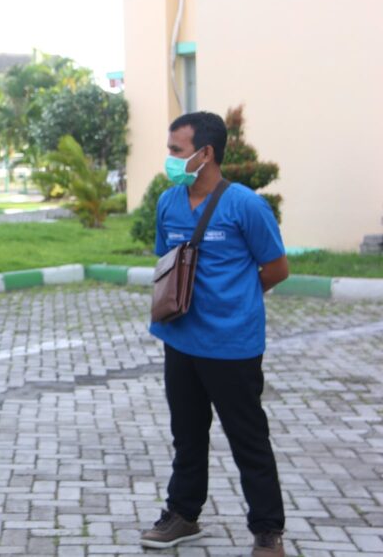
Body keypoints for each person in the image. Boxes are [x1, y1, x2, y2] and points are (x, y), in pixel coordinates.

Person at [142, 112, 289, 557]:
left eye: (177, 150)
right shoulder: (168, 202)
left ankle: (268, 531)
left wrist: (237, 300)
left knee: (248, 439)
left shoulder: (246, 206)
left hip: (232, 346)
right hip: (180, 339)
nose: (170, 158)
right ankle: (183, 514)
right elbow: (166, 260)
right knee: (187, 434)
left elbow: (276, 268)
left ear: (205, 153)